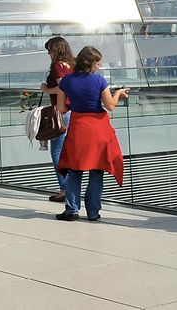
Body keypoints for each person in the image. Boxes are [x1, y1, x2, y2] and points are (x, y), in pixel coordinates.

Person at [55, 46, 127, 222]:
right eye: (98, 63)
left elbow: (62, 107)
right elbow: (110, 106)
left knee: (74, 170)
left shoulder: (66, 81)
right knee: (96, 171)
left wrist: (75, 105)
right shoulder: (99, 81)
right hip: (99, 129)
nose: (99, 66)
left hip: (79, 127)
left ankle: (72, 210)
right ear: (91, 63)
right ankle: (93, 213)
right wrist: (118, 94)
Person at [40, 36, 75, 204]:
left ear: (56, 49)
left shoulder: (57, 66)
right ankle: (69, 188)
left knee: (57, 153)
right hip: (73, 111)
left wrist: (46, 89)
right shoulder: (73, 64)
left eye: (50, 50)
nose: (48, 53)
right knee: (68, 151)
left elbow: (63, 87)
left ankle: (65, 189)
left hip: (61, 112)